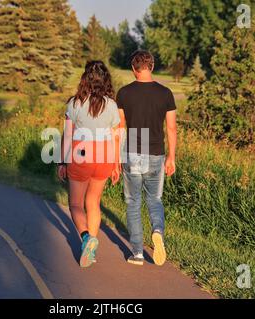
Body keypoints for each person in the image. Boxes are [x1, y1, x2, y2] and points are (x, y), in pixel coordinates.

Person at [58, 61, 121, 268]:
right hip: (104, 156)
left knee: (76, 204)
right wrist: (116, 164)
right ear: (105, 80)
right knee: (93, 202)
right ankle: (90, 251)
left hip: (81, 154)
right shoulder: (111, 105)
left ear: (85, 78)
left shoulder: (75, 103)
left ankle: (86, 238)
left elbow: (68, 135)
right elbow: (116, 136)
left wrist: (62, 161)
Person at [117, 50, 177, 266]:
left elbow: (120, 128)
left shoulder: (124, 93)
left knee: (133, 202)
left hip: (132, 154)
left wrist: (116, 157)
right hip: (156, 154)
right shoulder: (166, 93)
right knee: (155, 199)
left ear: (134, 69)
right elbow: (171, 127)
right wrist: (171, 157)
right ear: (151, 66)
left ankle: (138, 253)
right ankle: (158, 231)